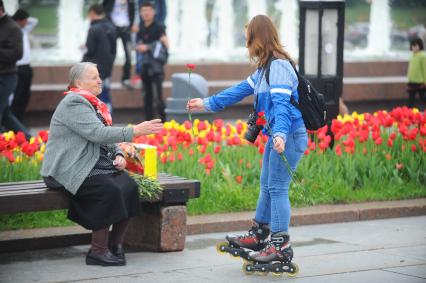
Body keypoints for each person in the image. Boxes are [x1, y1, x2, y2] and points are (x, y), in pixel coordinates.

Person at [188, 15, 308, 267]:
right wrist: (206, 103)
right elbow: (238, 91)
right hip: (277, 135)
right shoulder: (264, 69)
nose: (246, 46)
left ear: (258, 39)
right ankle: (260, 235)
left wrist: (279, 135)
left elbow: (282, 106)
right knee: (267, 186)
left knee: (277, 188)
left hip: (288, 136)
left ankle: (281, 246)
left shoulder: (280, 67)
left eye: (248, 39)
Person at [41, 62, 163, 266]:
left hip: (92, 164)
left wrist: (118, 154)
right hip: (67, 169)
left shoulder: (91, 103)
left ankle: (116, 244)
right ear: (79, 82)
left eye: (99, 76)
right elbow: (97, 134)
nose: (100, 80)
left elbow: (106, 134)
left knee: (130, 187)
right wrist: (134, 131)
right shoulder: (74, 102)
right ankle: (97, 251)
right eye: (94, 77)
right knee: (109, 190)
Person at [0, 0, 30, 138]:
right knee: (6, 114)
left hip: (6, 77)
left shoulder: (12, 28)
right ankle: (30, 141)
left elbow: (18, 54)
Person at [136, 1, 169, 122]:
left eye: (148, 10)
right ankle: (147, 125)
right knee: (146, 97)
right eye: (143, 11)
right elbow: (139, 44)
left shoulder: (159, 26)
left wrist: (148, 47)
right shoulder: (141, 27)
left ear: (154, 12)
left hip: (156, 68)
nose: (146, 13)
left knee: (158, 97)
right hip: (145, 66)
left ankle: (165, 123)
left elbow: (166, 44)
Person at [83, 4, 117, 112]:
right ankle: (108, 119)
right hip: (107, 69)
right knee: (105, 94)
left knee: (94, 97)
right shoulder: (112, 27)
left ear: (92, 13)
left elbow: (90, 50)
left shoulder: (93, 29)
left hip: (94, 70)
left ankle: (98, 122)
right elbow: (113, 50)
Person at [11, 9, 38, 123]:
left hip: (26, 67)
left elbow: (34, 21)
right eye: (24, 20)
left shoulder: (24, 29)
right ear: (19, 20)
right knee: (17, 95)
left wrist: (16, 18)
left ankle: (20, 120)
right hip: (16, 67)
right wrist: (13, 21)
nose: (27, 22)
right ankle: (13, 120)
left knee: (25, 96)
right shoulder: (10, 30)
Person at [103, 0, 135, 89]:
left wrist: (130, 26)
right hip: (113, 28)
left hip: (126, 29)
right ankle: (107, 76)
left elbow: (132, 14)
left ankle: (126, 78)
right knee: (111, 54)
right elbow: (103, 9)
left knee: (129, 55)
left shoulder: (131, 2)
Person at [407, 37, 426, 108]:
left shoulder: (423, 56)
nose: (414, 47)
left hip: (420, 82)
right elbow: (411, 69)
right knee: (410, 99)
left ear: (420, 46)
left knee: (423, 98)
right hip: (412, 82)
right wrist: (409, 79)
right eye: (413, 46)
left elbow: (425, 69)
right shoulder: (412, 56)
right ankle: (408, 114)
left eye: (416, 46)